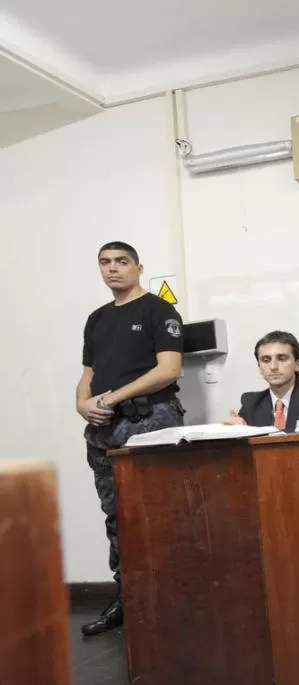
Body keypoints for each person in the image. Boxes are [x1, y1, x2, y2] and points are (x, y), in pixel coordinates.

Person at [77, 241, 185, 636]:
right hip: (103, 427)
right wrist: (81, 403)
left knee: (157, 512)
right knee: (116, 516)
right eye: (104, 262)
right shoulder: (97, 319)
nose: (112, 269)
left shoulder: (159, 309)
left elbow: (169, 369)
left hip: (150, 419)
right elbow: (88, 372)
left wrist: (113, 396)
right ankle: (129, 600)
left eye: (121, 262)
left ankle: (170, 602)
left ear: (139, 268)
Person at [224, 331, 299, 431]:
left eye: (281, 358)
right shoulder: (251, 403)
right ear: (259, 367)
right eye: (266, 360)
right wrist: (237, 431)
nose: (273, 366)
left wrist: (249, 430)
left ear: (297, 365)